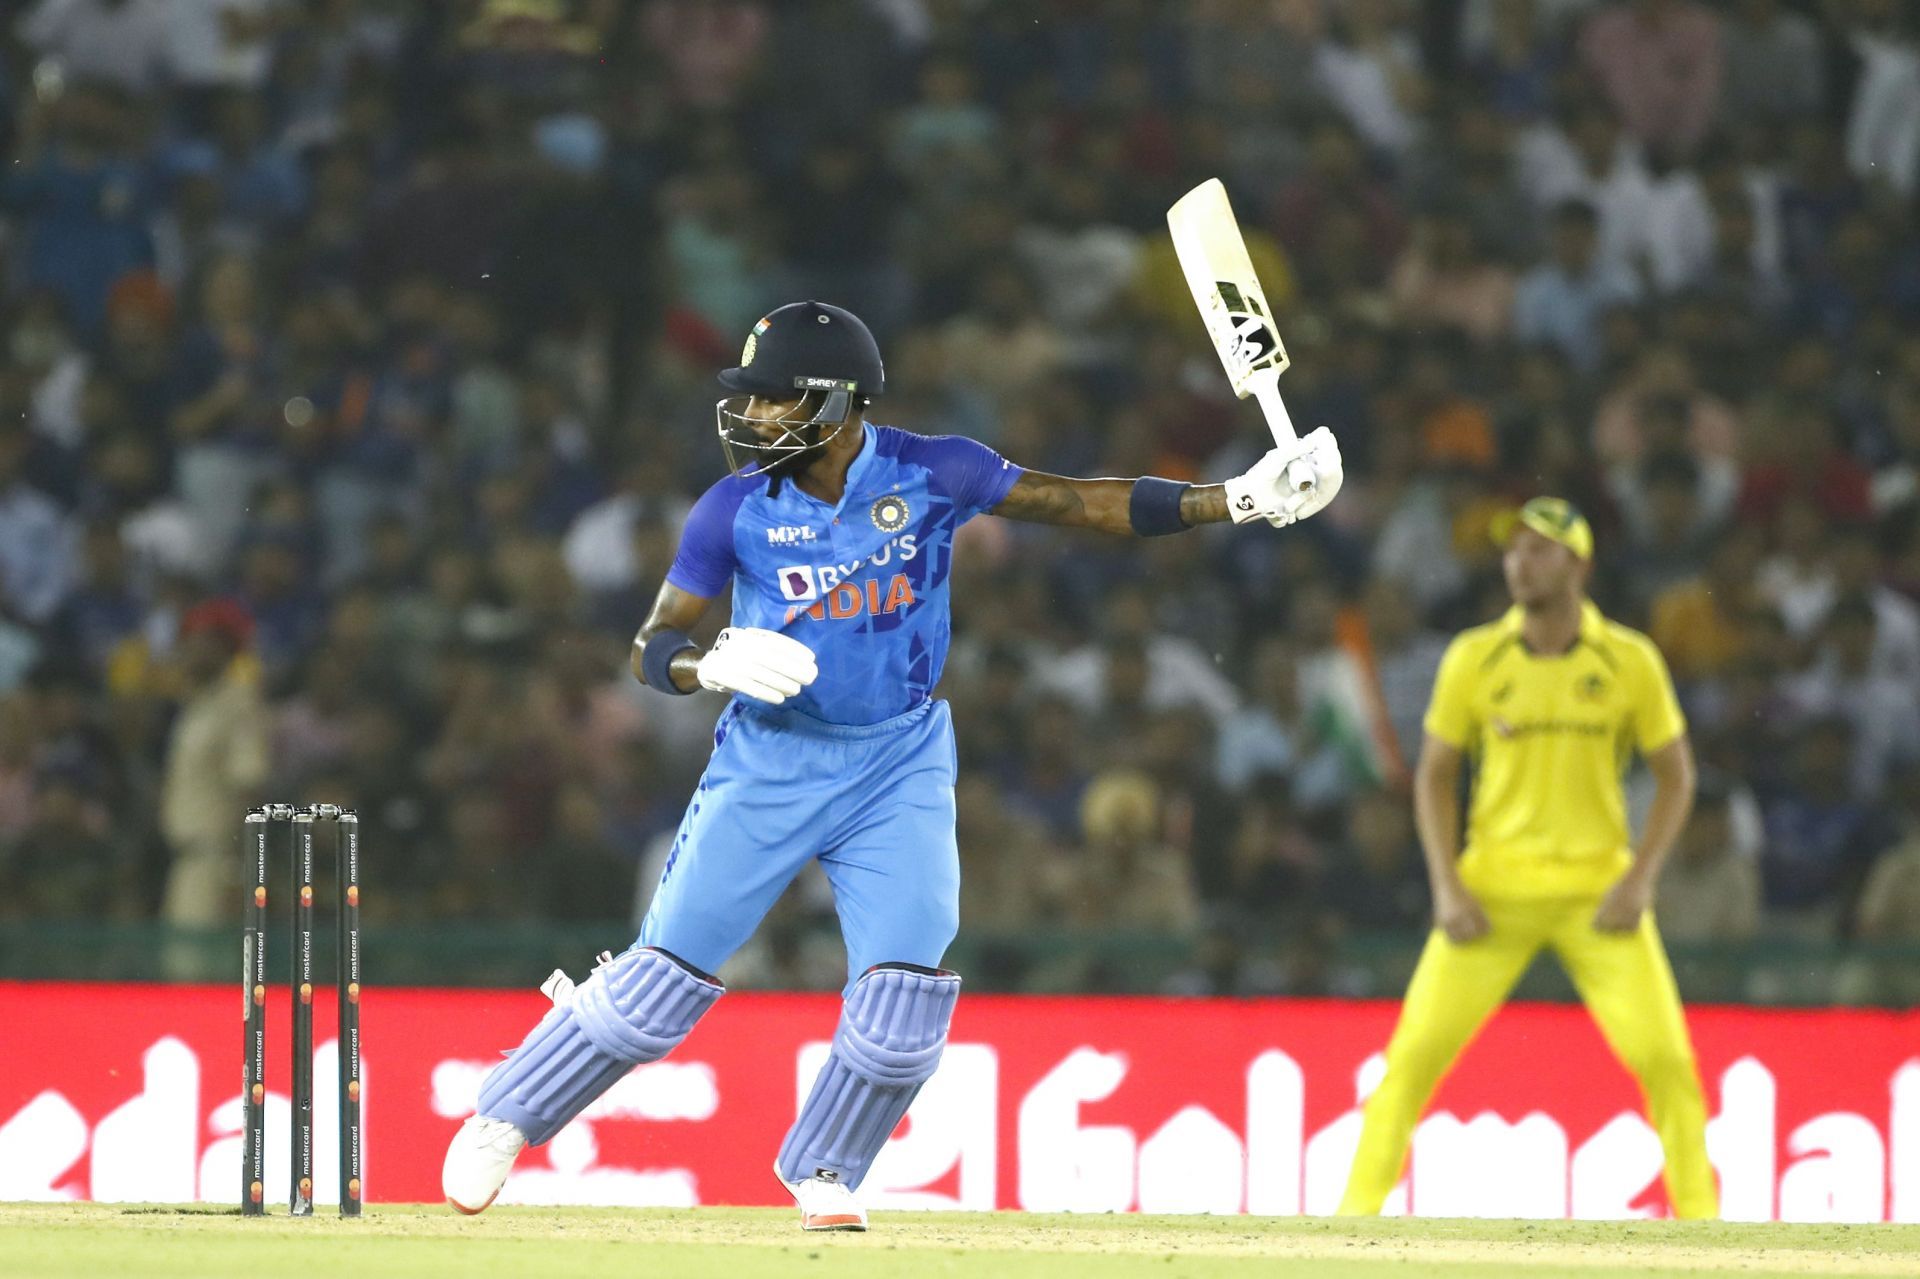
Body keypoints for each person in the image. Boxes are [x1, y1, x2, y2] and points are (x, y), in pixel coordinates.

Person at [440, 300, 1344, 1229]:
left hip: (897, 759)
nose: (751, 421)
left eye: (772, 401)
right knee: (656, 987)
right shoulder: (734, 509)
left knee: (907, 1000)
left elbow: (1077, 502)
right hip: (772, 756)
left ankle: (826, 1166)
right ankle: (503, 1115)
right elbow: (650, 643)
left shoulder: (932, 468)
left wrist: (1233, 499)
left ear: (837, 404)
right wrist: (702, 662)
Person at [1337, 497, 1718, 1219]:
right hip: (1492, 893)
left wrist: (1640, 878)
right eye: (1513, 550)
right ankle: (1348, 1224)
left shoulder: (1629, 659)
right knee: (1409, 1062)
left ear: (1580, 562)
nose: (1520, 562)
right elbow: (1433, 775)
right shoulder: (1475, 657)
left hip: (1598, 895)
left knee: (1668, 1063)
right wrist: (1447, 886)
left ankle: (1709, 1228)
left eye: (1540, 549)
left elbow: (1678, 775)